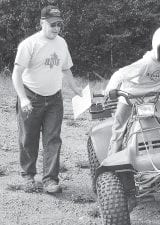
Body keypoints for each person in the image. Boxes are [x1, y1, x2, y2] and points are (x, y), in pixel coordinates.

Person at [12, 5, 82, 193]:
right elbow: (16, 73)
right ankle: (28, 176)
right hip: (31, 97)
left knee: (53, 139)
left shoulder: (62, 43)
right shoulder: (30, 44)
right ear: (42, 23)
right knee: (28, 138)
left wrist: (75, 88)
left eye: (59, 24)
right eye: (52, 25)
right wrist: (23, 99)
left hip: (54, 100)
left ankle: (50, 180)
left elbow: (66, 68)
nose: (56, 28)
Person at [104, 25, 160, 155]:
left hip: (151, 98)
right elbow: (120, 74)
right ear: (158, 49)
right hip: (130, 96)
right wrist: (111, 88)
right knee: (119, 128)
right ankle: (112, 160)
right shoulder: (147, 63)